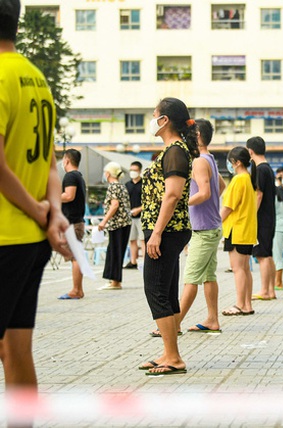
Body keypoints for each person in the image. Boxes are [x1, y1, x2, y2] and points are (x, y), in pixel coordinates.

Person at [0, 0, 71, 401]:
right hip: (31, 240)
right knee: (16, 349)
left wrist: (38, 209)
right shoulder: (35, 78)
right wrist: (52, 213)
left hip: (6, 234)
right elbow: (48, 164)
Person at [139, 97, 198, 376]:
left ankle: (174, 357)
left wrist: (156, 234)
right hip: (169, 229)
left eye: (155, 115)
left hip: (167, 229)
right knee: (167, 290)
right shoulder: (174, 150)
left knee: (155, 290)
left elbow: (172, 194)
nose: (152, 119)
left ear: (164, 121)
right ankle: (168, 352)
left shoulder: (175, 151)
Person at [177, 119, 225, 334]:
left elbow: (204, 192)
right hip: (211, 226)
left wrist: (180, 201)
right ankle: (212, 319)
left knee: (190, 278)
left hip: (204, 230)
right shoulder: (210, 159)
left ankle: (173, 324)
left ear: (197, 136)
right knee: (208, 276)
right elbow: (220, 186)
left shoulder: (199, 161)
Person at [220, 147, 258, 316]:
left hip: (236, 230)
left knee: (238, 269)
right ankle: (247, 304)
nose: (229, 164)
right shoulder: (248, 179)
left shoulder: (238, 180)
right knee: (245, 268)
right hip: (247, 230)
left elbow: (228, 207)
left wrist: (215, 223)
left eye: (230, 161)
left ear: (237, 162)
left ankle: (240, 304)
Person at [246, 136, 277, 300]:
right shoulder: (268, 168)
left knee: (262, 255)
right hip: (269, 218)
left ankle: (265, 290)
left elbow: (258, 194)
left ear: (250, 151)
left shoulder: (260, 169)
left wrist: (251, 215)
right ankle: (271, 290)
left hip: (262, 219)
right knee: (268, 254)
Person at [97, 162, 132, 291]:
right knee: (116, 251)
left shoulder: (113, 186)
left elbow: (114, 205)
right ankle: (113, 279)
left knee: (115, 251)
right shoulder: (121, 186)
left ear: (108, 173)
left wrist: (103, 221)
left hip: (117, 224)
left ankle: (115, 281)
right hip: (124, 223)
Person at [59, 149, 86, 299]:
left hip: (72, 222)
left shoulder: (70, 176)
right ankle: (78, 290)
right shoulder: (79, 176)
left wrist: (51, 196)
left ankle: (76, 290)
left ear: (67, 160)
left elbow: (69, 196)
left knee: (75, 256)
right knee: (76, 256)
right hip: (76, 221)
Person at [124, 161, 144, 269]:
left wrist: (139, 209)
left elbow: (149, 201)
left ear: (140, 171)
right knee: (132, 239)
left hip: (141, 216)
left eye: (135, 170)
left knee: (143, 239)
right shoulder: (127, 185)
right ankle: (133, 261)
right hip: (130, 216)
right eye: (131, 170)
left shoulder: (144, 184)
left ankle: (145, 261)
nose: (132, 172)